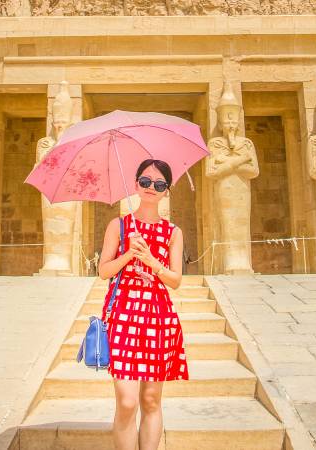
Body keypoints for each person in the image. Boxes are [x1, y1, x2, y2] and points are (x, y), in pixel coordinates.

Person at [98, 159, 189, 450]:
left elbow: (175, 280)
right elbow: (103, 271)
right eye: (146, 181)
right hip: (124, 315)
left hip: (157, 317)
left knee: (151, 400)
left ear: (166, 191)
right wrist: (129, 255)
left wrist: (151, 260)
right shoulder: (119, 225)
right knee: (127, 401)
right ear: (136, 184)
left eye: (159, 184)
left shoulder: (173, 232)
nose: (152, 187)